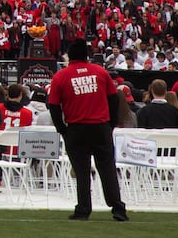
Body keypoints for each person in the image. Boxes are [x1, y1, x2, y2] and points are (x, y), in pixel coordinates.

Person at [46, 39, 128, 222]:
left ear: (69, 56)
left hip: (76, 128)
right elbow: (114, 99)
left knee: (81, 171)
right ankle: (118, 208)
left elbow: (53, 106)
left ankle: (83, 209)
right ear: (87, 55)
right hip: (100, 127)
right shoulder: (100, 72)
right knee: (107, 168)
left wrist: (62, 129)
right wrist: (111, 124)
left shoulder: (61, 76)